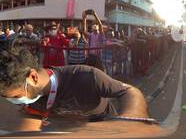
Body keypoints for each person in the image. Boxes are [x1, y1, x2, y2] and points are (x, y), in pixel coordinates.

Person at [0, 47, 158, 133]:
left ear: (33, 77)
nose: (17, 102)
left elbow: (129, 91)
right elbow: (29, 128)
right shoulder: (32, 101)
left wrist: (129, 119)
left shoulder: (87, 77)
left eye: (17, 96)